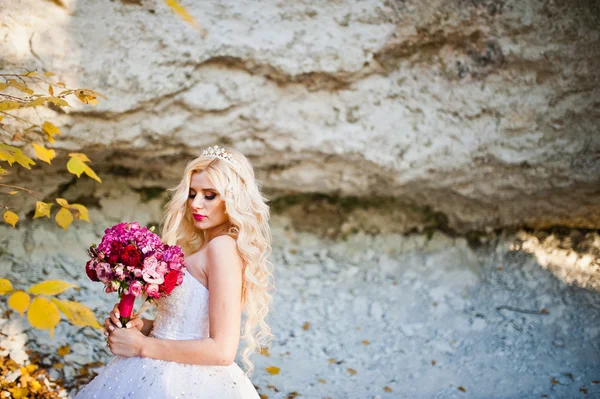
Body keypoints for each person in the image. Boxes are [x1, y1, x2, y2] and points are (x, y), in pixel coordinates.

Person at [74, 145, 274, 398]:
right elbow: (185, 327)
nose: (196, 204)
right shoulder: (206, 247)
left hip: (187, 382)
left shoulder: (222, 248)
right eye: (192, 194)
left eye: (210, 195)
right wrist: (142, 326)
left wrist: (142, 346)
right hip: (158, 366)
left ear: (234, 200)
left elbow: (222, 352)